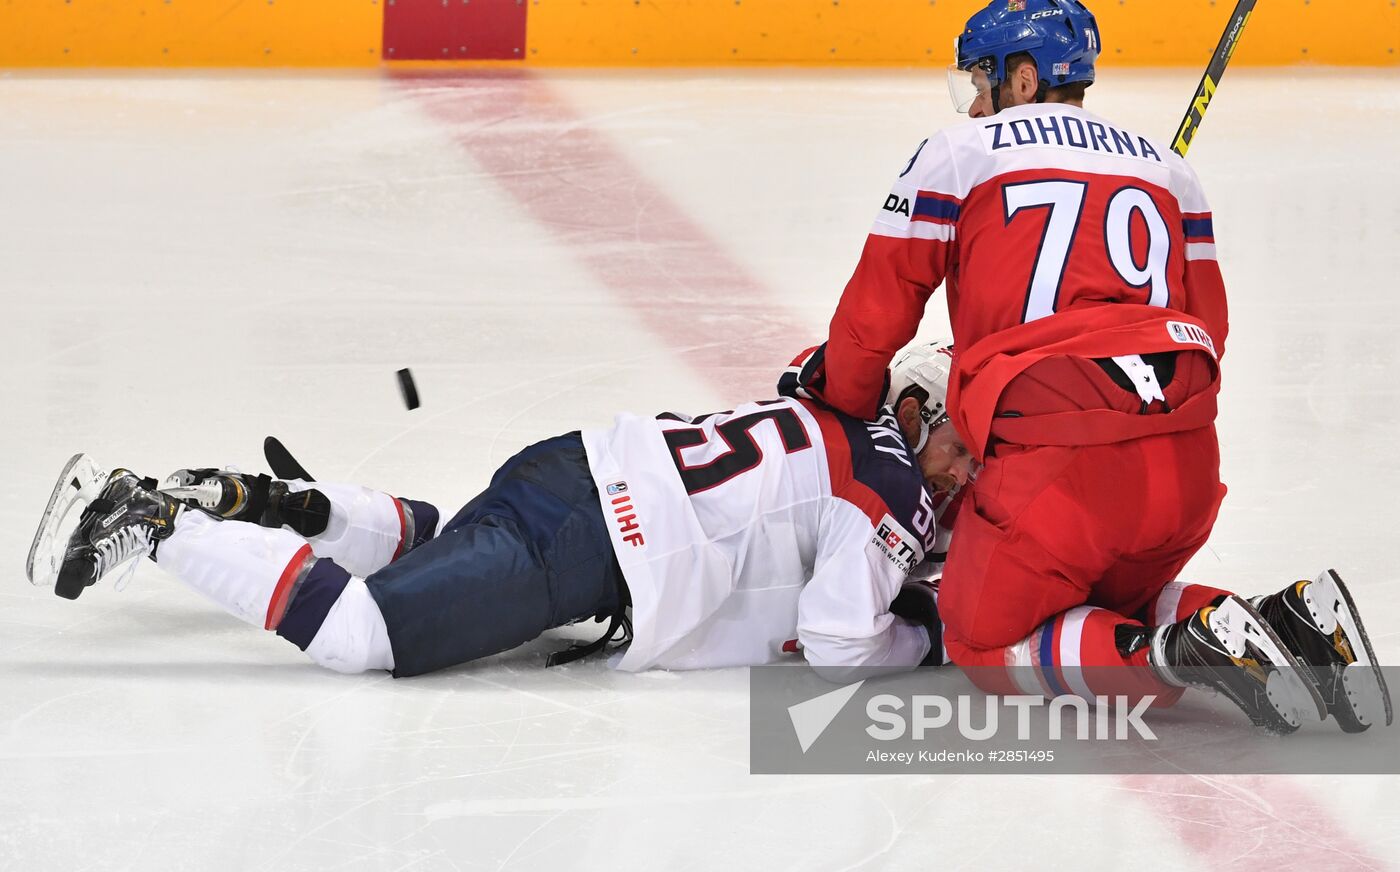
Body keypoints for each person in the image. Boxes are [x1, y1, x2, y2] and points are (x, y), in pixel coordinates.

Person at [792, 0, 1390, 732]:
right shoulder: (1167, 172)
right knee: (1105, 601)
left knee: (979, 634)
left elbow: (876, 313)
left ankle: (1163, 661)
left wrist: (844, 396)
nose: (972, 103)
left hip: (1057, 472)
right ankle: (1283, 617)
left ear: (1020, 78)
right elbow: (1213, 331)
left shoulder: (960, 154)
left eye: (978, 82)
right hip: (1185, 471)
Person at [27, 344, 972, 679]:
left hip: (571, 470)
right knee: (362, 635)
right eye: (961, 448)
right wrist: (925, 636)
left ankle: (269, 503)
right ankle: (154, 521)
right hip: (598, 541)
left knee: (447, 547)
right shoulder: (892, 492)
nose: (961, 476)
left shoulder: (830, 405)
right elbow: (842, 641)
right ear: (916, 406)